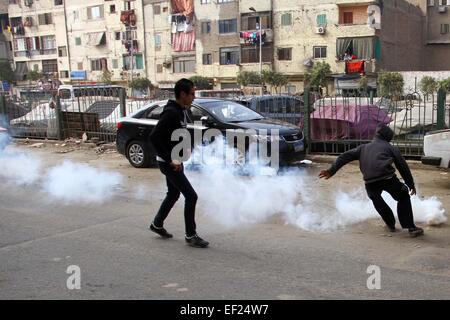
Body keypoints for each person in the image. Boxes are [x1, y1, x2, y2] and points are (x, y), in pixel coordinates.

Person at [318, 124, 424, 237]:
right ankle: (411, 228)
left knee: (377, 201)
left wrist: (331, 170)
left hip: (370, 183)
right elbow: (402, 166)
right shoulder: (390, 148)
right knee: (403, 195)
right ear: (388, 137)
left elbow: (344, 156)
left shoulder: (363, 148)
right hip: (387, 178)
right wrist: (410, 184)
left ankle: (391, 225)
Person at [148, 78, 209, 248]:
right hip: (168, 163)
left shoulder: (181, 111)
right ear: (182, 94)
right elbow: (154, 137)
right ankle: (191, 235)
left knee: (174, 194)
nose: (193, 97)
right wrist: (171, 159)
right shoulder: (171, 113)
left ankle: (157, 224)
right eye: (191, 94)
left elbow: (176, 135)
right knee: (191, 196)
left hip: (175, 161)